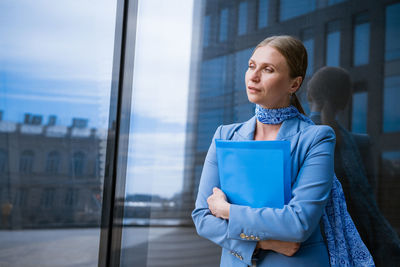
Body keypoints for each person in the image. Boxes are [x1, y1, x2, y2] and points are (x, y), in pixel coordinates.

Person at [192, 36, 373, 267]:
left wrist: (227, 210)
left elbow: (297, 223)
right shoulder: (224, 135)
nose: (254, 76)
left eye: (268, 69)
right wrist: (265, 244)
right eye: (251, 66)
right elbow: (202, 218)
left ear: (294, 84)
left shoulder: (316, 138)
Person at [307, 66, 400, 266]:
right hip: (359, 249)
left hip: (309, 251)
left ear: (309, 94)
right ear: (345, 102)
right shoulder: (361, 144)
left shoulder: (293, 137)